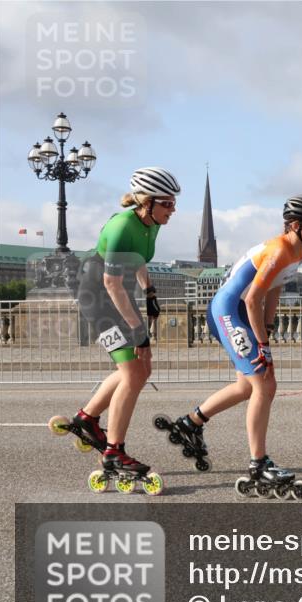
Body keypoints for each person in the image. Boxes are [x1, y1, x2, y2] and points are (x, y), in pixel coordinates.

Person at [162, 195, 302, 500]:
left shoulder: (300, 252)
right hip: (229, 310)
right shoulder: (280, 250)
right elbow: (252, 299)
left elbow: (275, 288)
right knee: (265, 383)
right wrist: (262, 345)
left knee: (247, 385)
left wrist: (268, 326)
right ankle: (258, 463)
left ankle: (191, 422)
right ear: (295, 225)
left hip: (239, 312)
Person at [62, 167, 180, 493]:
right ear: (147, 202)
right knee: (131, 373)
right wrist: (138, 328)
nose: (173, 210)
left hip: (119, 296)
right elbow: (110, 284)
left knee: (142, 369)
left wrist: (151, 291)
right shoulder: (120, 227)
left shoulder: (151, 224)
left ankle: (87, 418)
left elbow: (140, 260)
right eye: (167, 204)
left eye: (173, 204)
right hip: (97, 299)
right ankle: (114, 452)